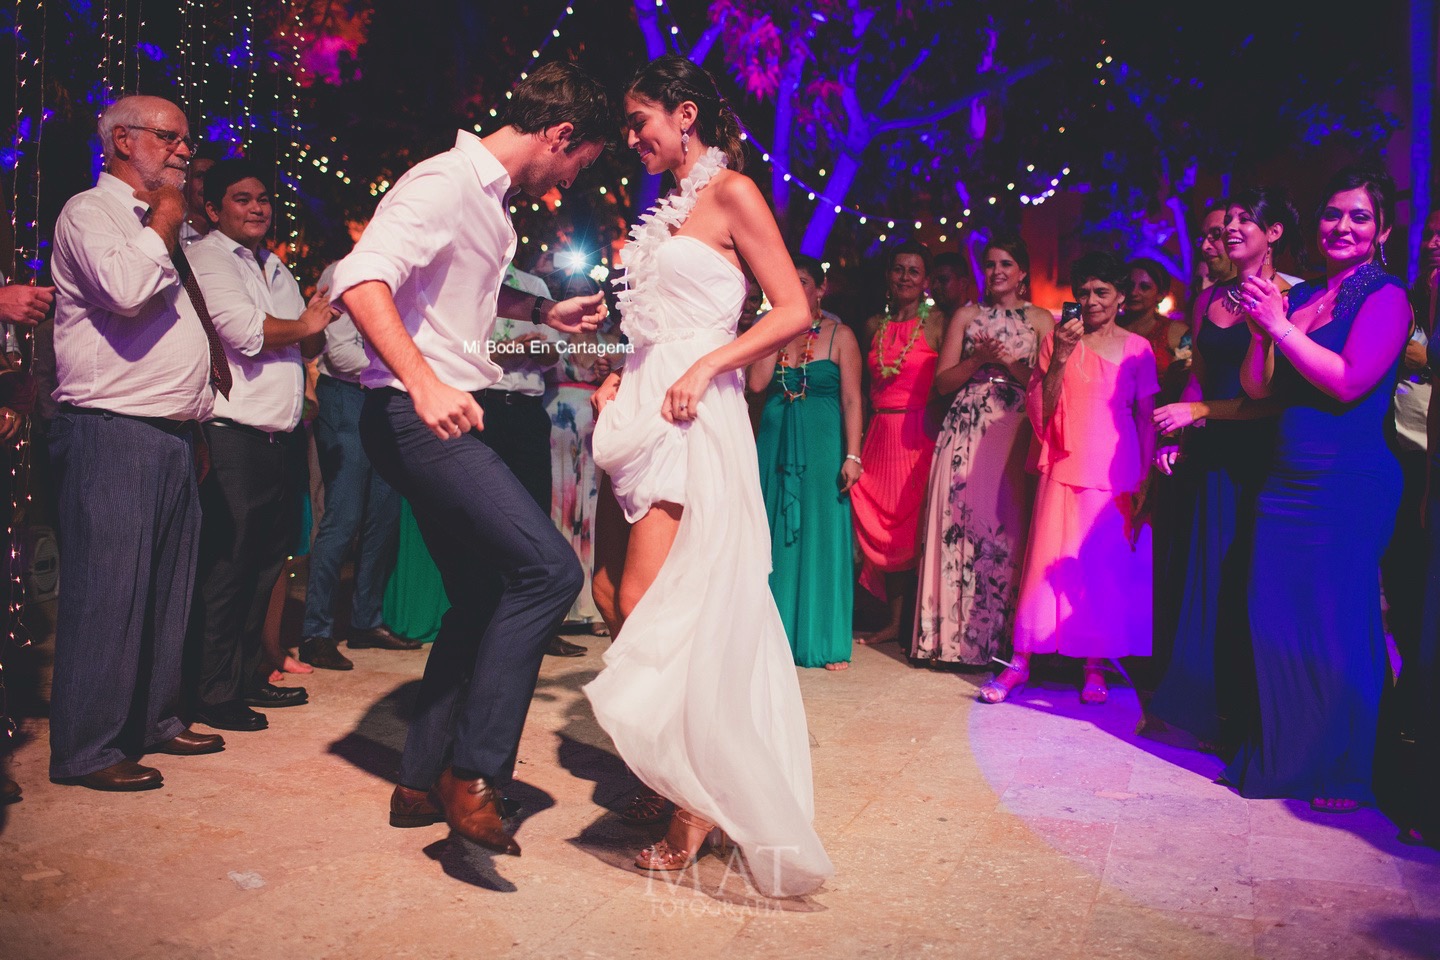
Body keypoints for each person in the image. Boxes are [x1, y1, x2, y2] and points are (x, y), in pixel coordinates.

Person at [332, 62, 609, 853]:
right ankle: (474, 771)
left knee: (483, 593)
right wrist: (422, 382)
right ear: (560, 134)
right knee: (548, 572)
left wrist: (547, 316)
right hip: (416, 416)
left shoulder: (490, 205)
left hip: (434, 414)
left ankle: (421, 778)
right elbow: (361, 279)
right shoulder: (446, 182)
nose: (570, 181)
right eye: (578, 163)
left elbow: (454, 316)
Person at [585, 55, 833, 898]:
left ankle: (694, 799)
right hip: (642, 401)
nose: (632, 138)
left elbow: (792, 309)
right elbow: (654, 320)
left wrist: (707, 366)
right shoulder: (664, 210)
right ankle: (669, 769)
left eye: (640, 121)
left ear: (684, 113)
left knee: (657, 603)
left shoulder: (734, 193)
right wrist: (619, 371)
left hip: (693, 408)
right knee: (611, 594)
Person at [47, 95, 228, 790]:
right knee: (109, 594)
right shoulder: (90, 212)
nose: (184, 151)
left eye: (186, 139)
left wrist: (194, 421)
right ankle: (88, 749)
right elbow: (125, 291)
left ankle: (154, 721)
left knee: (165, 591)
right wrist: (166, 218)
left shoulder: (155, 220)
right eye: (169, 138)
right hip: (111, 430)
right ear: (123, 140)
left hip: (170, 432)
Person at [1227, 167, 1410, 812]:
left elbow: (1349, 380)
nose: (1342, 227)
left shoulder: (1386, 295)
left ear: (1382, 230)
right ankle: (1289, 755)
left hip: (1349, 480)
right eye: (1333, 214)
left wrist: (1279, 328)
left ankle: (1346, 769)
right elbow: (1258, 387)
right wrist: (1261, 333)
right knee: (1275, 618)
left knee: (1338, 624)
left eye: (1359, 217)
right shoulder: (1302, 295)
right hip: (1287, 478)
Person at [184, 159, 336, 732]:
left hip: (280, 437)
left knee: (265, 567)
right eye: (242, 198)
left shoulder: (274, 265)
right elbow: (246, 332)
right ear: (213, 208)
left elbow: (306, 341)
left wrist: (319, 319)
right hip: (232, 436)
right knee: (228, 569)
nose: (257, 208)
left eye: (263, 199)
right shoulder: (208, 257)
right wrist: (305, 324)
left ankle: (248, 676)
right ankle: (211, 691)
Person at [1148, 187, 1295, 749]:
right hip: (1212, 454)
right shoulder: (1209, 296)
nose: (1231, 228)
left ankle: (1251, 714)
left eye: (1243, 220)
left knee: (1251, 581)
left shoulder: (1291, 296)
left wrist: (1199, 411)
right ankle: (1203, 707)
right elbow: (1199, 377)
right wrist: (1181, 432)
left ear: (1273, 233)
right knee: (1208, 578)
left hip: (1263, 454)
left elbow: (1276, 398)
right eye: (1227, 220)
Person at [983, 251, 1159, 704]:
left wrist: (1144, 479)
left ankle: (1094, 665)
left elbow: (1144, 419)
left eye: (1102, 292)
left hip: (1115, 469)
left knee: (1100, 566)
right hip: (1062, 462)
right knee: (1043, 563)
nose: (1092, 300)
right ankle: (1020, 661)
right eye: (1084, 292)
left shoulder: (1138, 349)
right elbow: (1041, 410)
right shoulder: (1056, 341)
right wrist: (1060, 355)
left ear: (1120, 297)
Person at [914, 236, 1050, 667]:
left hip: (1015, 426)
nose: (997, 272)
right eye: (990, 264)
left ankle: (1001, 644)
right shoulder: (967, 315)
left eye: (1006, 264)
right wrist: (978, 361)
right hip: (967, 424)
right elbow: (943, 382)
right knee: (959, 525)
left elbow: (1049, 385)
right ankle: (951, 642)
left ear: (1022, 271)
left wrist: (1008, 362)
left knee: (1006, 530)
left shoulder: (1041, 319)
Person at [298, 260, 419, 671]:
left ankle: (366, 621)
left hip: (385, 399)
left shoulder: (402, 274)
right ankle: (316, 631)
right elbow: (341, 354)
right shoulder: (342, 271)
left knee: (383, 517)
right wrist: (404, 362)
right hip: (347, 396)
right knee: (342, 518)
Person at [749, 254, 863, 670]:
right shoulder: (772, 327)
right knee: (772, 533)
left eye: (801, 281)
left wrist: (853, 455)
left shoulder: (841, 335)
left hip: (822, 445)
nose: (793, 288)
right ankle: (770, 638)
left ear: (821, 288)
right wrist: (775, 327)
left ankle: (823, 640)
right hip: (776, 442)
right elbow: (757, 383)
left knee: (821, 534)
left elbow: (852, 399)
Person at [850, 240, 943, 648]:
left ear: (926, 280)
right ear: (888, 276)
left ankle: (915, 622)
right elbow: (860, 387)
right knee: (879, 525)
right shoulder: (873, 325)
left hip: (918, 434)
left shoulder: (938, 322)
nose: (905, 277)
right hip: (878, 434)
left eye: (914, 271)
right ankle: (889, 619)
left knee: (912, 528)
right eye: (899, 269)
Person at [547, 273, 620, 635]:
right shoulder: (552, 335)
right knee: (558, 509)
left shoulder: (611, 341)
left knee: (591, 512)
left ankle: (593, 606)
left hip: (594, 430)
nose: (577, 297)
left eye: (584, 292)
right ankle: (557, 609)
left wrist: (609, 370)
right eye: (570, 292)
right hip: (556, 428)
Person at [179, 142, 222, 246]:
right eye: (200, 176)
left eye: (212, 177)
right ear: (184, 181)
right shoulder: (174, 237)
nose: (208, 183)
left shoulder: (226, 238)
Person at [930, 251, 977, 319]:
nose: (935, 287)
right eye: (932, 281)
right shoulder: (930, 320)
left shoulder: (980, 320)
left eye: (943, 280)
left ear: (963, 284)